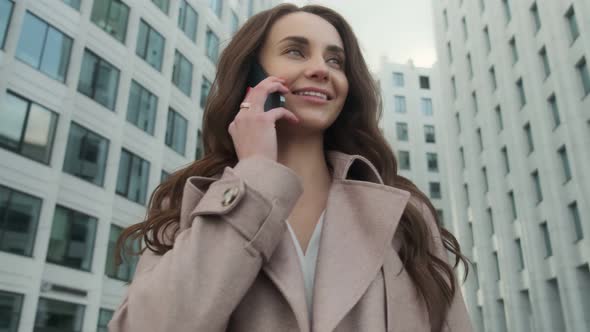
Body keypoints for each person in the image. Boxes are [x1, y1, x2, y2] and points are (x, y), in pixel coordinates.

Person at [108, 4, 472, 332]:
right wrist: (253, 178)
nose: (321, 70)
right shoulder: (190, 205)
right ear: (252, 75)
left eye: (336, 61)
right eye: (296, 51)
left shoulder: (406, 215)